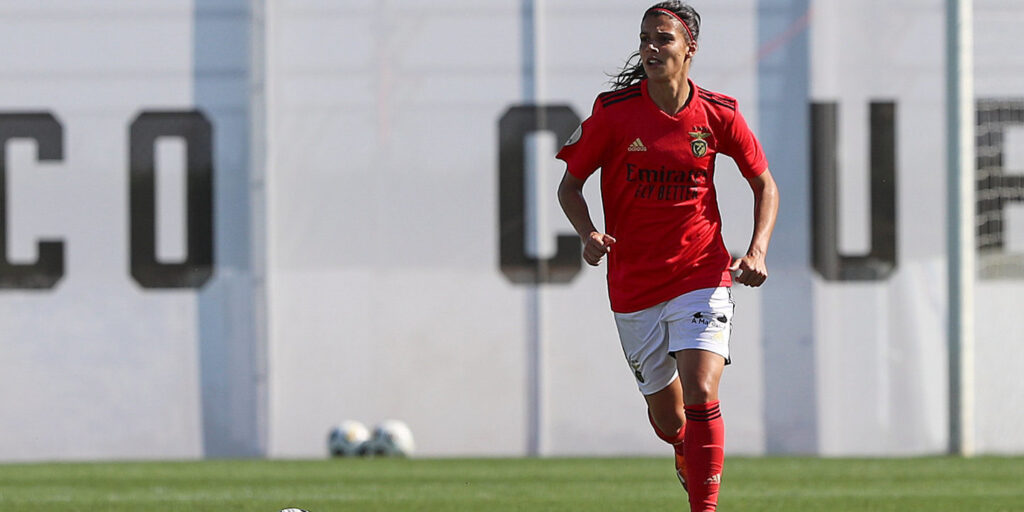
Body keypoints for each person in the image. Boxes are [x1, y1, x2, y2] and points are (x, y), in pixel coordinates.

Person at [555, 2, 779, 511]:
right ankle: (683, 449)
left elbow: (764, 183)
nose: (652, 49)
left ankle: (704, 507)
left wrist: (758, 249)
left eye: (664, 39)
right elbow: (570, 187)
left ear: (689, 50)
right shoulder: (614, 114)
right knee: (670, 419)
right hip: (634, 284)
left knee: (702, 387)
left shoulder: (719, 114)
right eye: (646, 39)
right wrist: (588, 232)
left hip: (702, 271)